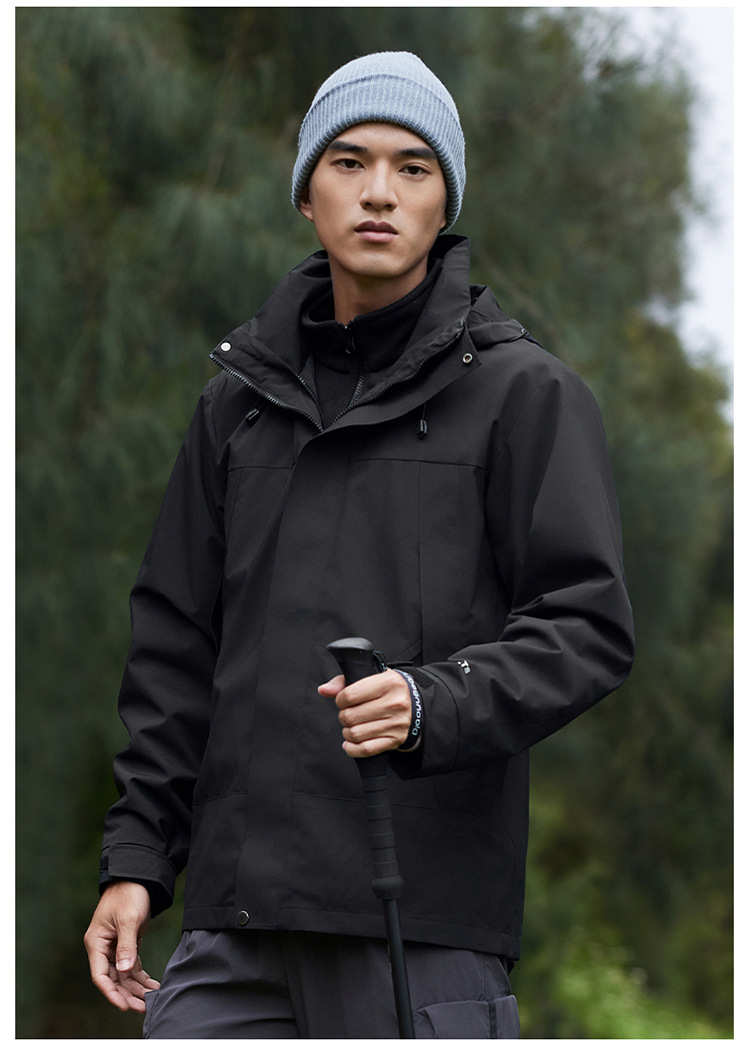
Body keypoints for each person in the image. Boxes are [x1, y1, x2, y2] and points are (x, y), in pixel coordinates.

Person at [84, 51, 635, 1038]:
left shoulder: (526, 395)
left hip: (417, 930)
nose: (379, 192)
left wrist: (432, 699)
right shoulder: (234, 408)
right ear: (308, 193)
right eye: (349, 161)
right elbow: (175, 647)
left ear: (443, 201)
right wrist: (137, 858)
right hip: (231, 931)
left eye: (413, 168)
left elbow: (587, 627)